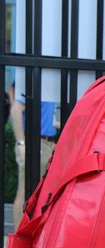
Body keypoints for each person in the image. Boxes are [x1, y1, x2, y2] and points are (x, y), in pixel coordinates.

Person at [10, 90, 58, 231]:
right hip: (35, 141)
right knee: (25, 190)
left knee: (36, 191)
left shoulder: (49, 85)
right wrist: (21, 143)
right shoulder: (40, 82)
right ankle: (19, 239)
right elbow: (16, 110)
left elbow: (49, 119)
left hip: (45, 142)